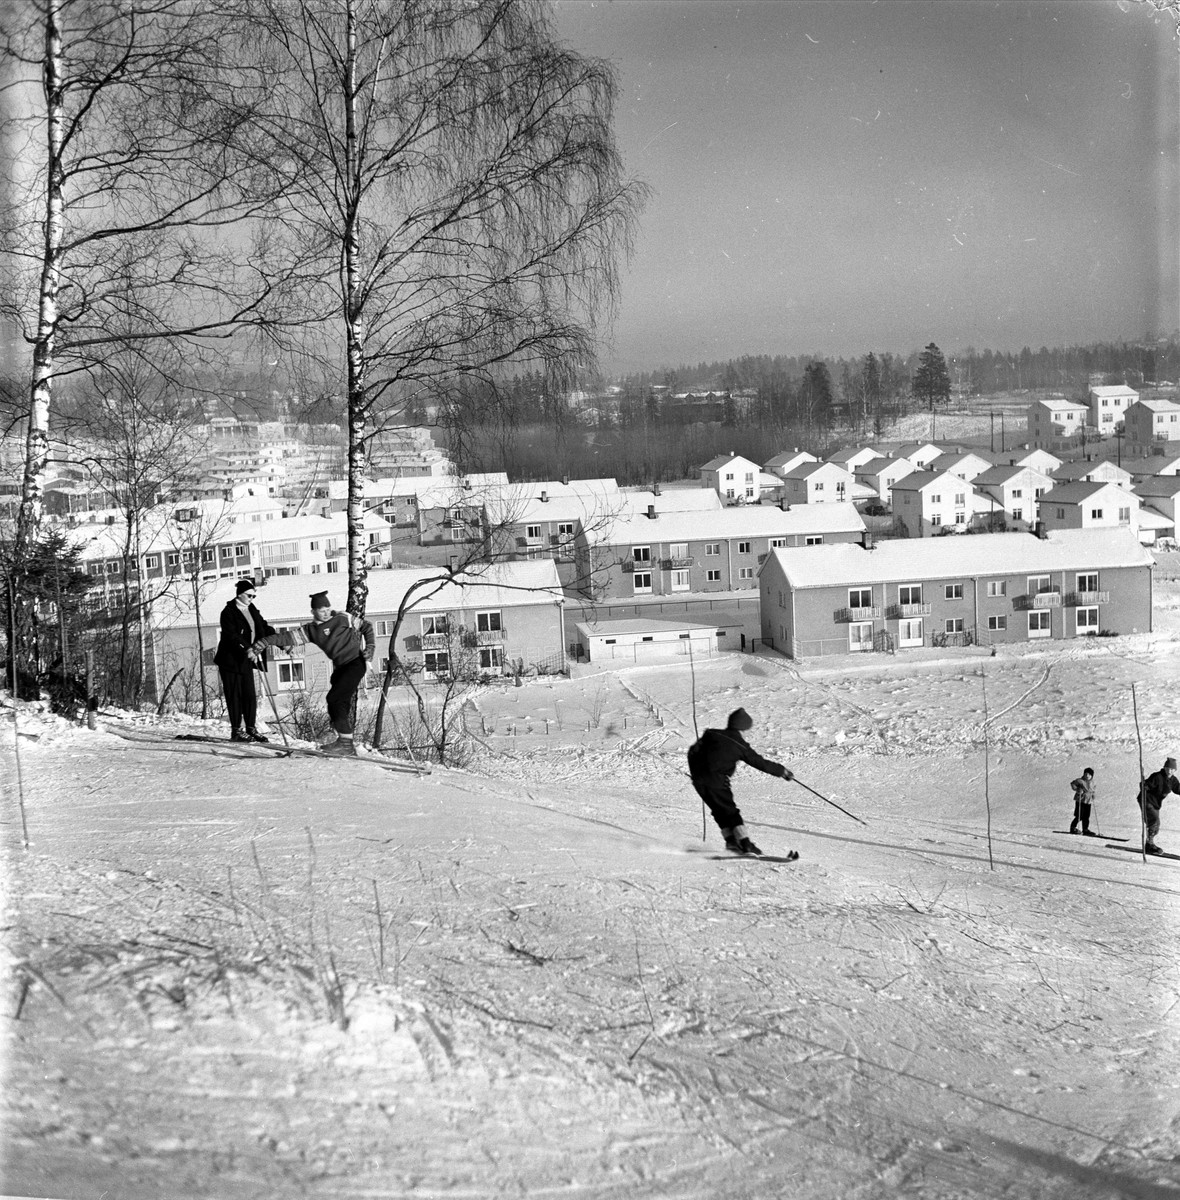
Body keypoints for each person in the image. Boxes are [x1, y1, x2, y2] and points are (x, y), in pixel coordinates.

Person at [249, 591, 374, 757]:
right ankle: (344, 740)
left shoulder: (343, 617)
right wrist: (264, 642)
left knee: (335, 699)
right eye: (322, 610)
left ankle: (346, 743)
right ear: (313, 612)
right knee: (337, 700)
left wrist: (370, 647)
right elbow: (286, 637)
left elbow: (367, 627)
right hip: (340, 668)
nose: (326, 612)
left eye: (328, 608)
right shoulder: (311, 630)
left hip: (355, 663)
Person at [686, 707, 793, 855]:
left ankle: (731, 842)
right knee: (730, 812)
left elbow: (692, 752)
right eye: (747, 729)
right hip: (716, 781)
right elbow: (759, 762)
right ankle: (746, 844)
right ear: (742, 727)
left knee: (719, 811)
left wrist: (696, 773)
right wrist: (782, 771)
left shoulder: (711, 734)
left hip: (698, 781)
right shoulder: (738, 743)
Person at [213, 579, 276, 743]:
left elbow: (264, 627)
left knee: (249, 695)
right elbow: (231, 636)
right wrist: (247, 648)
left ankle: (251, 728)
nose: (252, 599)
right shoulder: (228, 612)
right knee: (235, 695)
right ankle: (236, 731)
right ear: (240, 594)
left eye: (254, 596)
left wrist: (282, 642)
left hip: (246, 660)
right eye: (249, 595)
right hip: (230, 661)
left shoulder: (252, 609)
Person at [1138, 756, 1180, 855]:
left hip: (1155, 803)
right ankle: (1149, 845)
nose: (1170, 771)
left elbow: (1178, 789)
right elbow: (1145, 785)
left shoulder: (1173, 780)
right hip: (1146, 800)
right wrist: (1144, 785)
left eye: (1172, 769)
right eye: (1168, 768)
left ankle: (1149, 844)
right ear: (1164, 768)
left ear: (1175, 770)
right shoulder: (1157, 776)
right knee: (1154, 820)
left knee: (1156, 825)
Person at [1069, 767, 1096, 836]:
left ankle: (1085, 829)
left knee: (1086, 816)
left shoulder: (1093, 782)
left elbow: (1093, 790)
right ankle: (1073, 827)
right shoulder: (1080, 780)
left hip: (1088, 801)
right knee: (1079, 815)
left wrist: (1093, 795)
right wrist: (1078, 789)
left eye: (1089, 775)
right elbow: (1073, 784)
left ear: (1092, 776)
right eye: (1086, 774)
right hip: (1080, 800)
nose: (1087, 776)